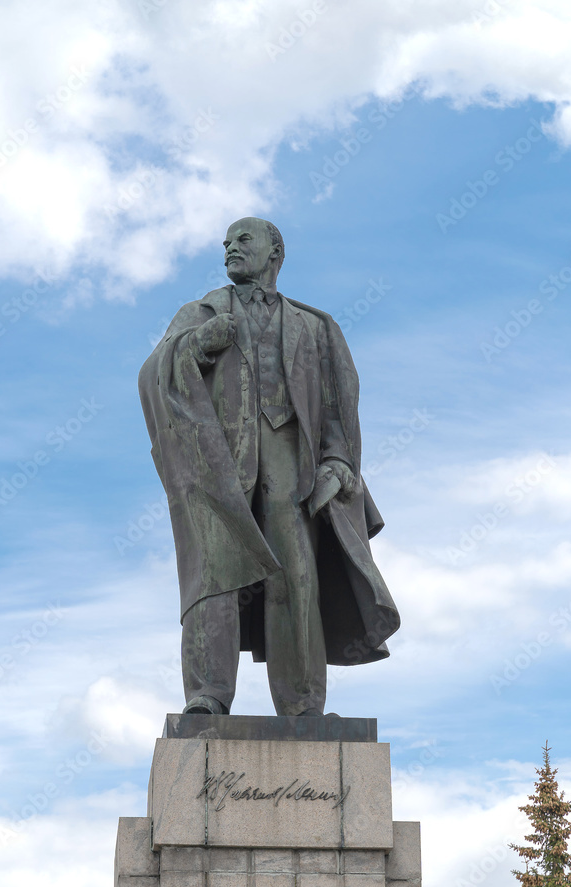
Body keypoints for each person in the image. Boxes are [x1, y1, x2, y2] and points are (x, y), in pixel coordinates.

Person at [139, 217, 399, 716]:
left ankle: (303, 707)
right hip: (219, 466)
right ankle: (208, 696)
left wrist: (339, 461)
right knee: (215, 576)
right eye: (226, 242)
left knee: (296, 579)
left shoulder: (315, 326)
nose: (229, 248)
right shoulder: (199, 312)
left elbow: (338, 405)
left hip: (292, 467)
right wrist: (197, 344)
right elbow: (153, 373)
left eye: (243, 240)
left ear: (275, 252)